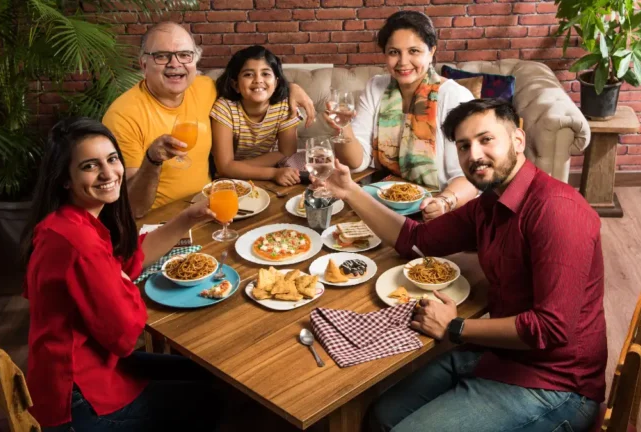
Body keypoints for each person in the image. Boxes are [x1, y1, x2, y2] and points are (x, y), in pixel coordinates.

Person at [314, 99, 606, 432]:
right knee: (380, 416)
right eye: (464, 146)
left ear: (518, 140)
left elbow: (550, 328)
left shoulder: (556, 210)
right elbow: (416, 240)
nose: (474, 155)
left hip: (558, 386)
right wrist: (349, 191)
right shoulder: (490, 202)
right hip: (501, 357)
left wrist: (457, 328)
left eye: (486, 140)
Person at [21, 118, 221, 431]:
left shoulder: (61, 224)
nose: (108, 174)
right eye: (90, 166)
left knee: (209, 372)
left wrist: (187, 218)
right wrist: (123, 284)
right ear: (64, 179)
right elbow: (127, 336)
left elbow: (129, 260)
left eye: (112, 159)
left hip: (73, 371)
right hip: (81, 398)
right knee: (215, 397)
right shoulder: (81, 244)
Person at [103, 22, 315, 217]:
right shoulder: (123, 116)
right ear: (143, 64)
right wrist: (152, 160)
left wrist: (290, 89)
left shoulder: (204, 88)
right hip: (159, 218)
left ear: (195, 60)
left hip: (207, 205)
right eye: (162, 56)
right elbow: (133, 208)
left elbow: (252, 90)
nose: (175, 64)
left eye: (184, 55)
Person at [324, 11, 478, 221]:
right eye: (394, 52)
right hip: (381, 202)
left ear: (431, 51)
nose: (403, 62)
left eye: (414, 51)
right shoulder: (376, 87)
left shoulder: (455, 96)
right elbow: (356, 162)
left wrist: (444, 202)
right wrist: (342, 127)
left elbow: (470, 175)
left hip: (437, 207)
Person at [210, 45, 302, 186]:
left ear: (276, 82)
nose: (258, 80)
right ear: (236, 85)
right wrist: (273, 173)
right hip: (227, 180)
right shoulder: (225, 108)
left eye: (265, 74)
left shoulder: (284, 107)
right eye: (248, 74)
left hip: (254, 173)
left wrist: (234, 167)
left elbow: (287, 153)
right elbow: (223, 167)